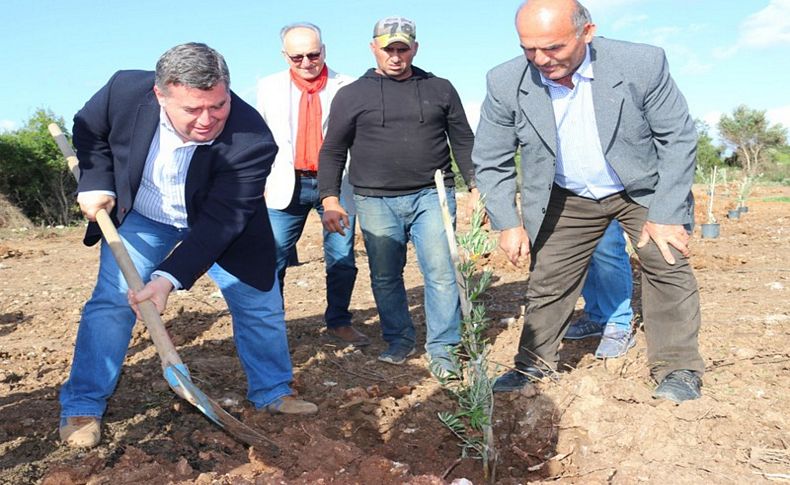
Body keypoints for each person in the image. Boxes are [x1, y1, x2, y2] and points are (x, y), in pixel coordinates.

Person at [59, 43, 317, 449]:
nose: (207, 120)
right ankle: (83, 404)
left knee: (259, 303)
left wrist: (168, 279)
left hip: (220, 225)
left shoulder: (251, 140)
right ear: (160, 95)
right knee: (111, 303)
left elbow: (222, 223)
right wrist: (96, 181)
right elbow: (88, 129)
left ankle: (273, 392)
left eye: (217, 106)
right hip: (145, 219)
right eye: (192, 110)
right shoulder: (124, 91)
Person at [473, 0, 705, 402]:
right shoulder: (504, 81)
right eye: (529, 49)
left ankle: (677, 368)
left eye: (553, 48)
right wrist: (507, 222)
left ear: (587, 32)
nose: (540, 59)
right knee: (548, 280)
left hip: (638, 189)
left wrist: (667, 213)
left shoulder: (640, 63)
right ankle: (532, 364)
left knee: (666, 262)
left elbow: (678, 139)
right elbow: (490, 158)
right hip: (568, 194)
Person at [318, 16, 477, 376]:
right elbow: (332, 150)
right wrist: (330, 198)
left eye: (402, 48)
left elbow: (463, 140)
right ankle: (399, 338)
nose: (395, 56)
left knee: (440, 272)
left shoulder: (440, 88)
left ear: (414, 49)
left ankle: (443, 347)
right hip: (374, 201)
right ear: (373, 48)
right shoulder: (352, 94)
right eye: (388, 48)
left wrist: (475, 185)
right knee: (386, 276)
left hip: (431, 196)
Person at [257, 23, 368, 347]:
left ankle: (339, 321)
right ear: (284, 56)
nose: (307, 62)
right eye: (297, 57)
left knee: (342, 258)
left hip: (336, 184)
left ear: (324, 50)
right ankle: (271, 326)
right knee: (273, 258)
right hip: (284, 185)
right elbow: (259, 138)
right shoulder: (268, 87)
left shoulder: (348, 86)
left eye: (313, 54)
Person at [564, 220, 635, 359]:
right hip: (575, 200)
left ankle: (618, 323)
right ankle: (597, 316)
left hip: (604, 200)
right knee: (582, 247)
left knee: (607, 243)